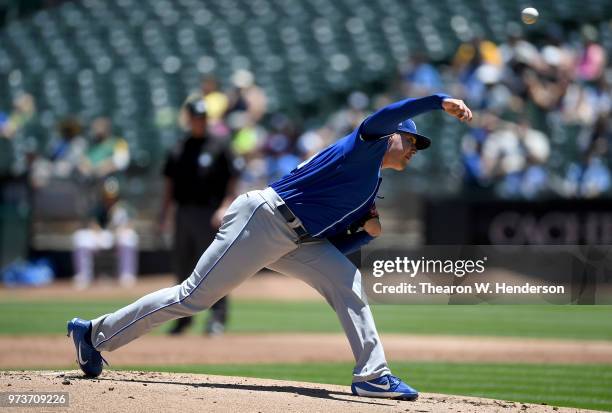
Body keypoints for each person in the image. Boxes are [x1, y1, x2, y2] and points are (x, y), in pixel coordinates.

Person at [67, 93, 472, 400]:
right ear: (394, 137)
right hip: (263, 218)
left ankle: (371, 376)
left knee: (345, 279)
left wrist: (365, 234)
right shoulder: (368, 144)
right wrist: (437, 101)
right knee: (193, 297)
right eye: (414, 143)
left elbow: (330, 250)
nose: (416, 151)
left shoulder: (370, 186)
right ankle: (94, 335)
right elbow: (379, 117)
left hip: (294, 238)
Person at [159, 95, 240, 336]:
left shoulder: (219, 145)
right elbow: (169, 184)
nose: (199, 121)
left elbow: (233, 177)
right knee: (182, 268)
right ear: (189, 119)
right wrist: (164, 214)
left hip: (210, 213)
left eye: (203, 117)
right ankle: (183, 318)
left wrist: (225, 205)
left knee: (215, 267)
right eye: (195, 117)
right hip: (184, 213)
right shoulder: (180, 147)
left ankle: (218, 317)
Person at [72, 177, 139, 289]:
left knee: (130, 237)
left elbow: (131, 222)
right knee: (80, 237)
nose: (110, 198)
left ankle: (127, 275)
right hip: (103, 234)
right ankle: (83, 277)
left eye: (112, 195)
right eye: (108, 195)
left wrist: (121, 229)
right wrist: (98, 232)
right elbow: (92, 222)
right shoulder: (99, 205)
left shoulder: (123, 206)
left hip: (118, 234)